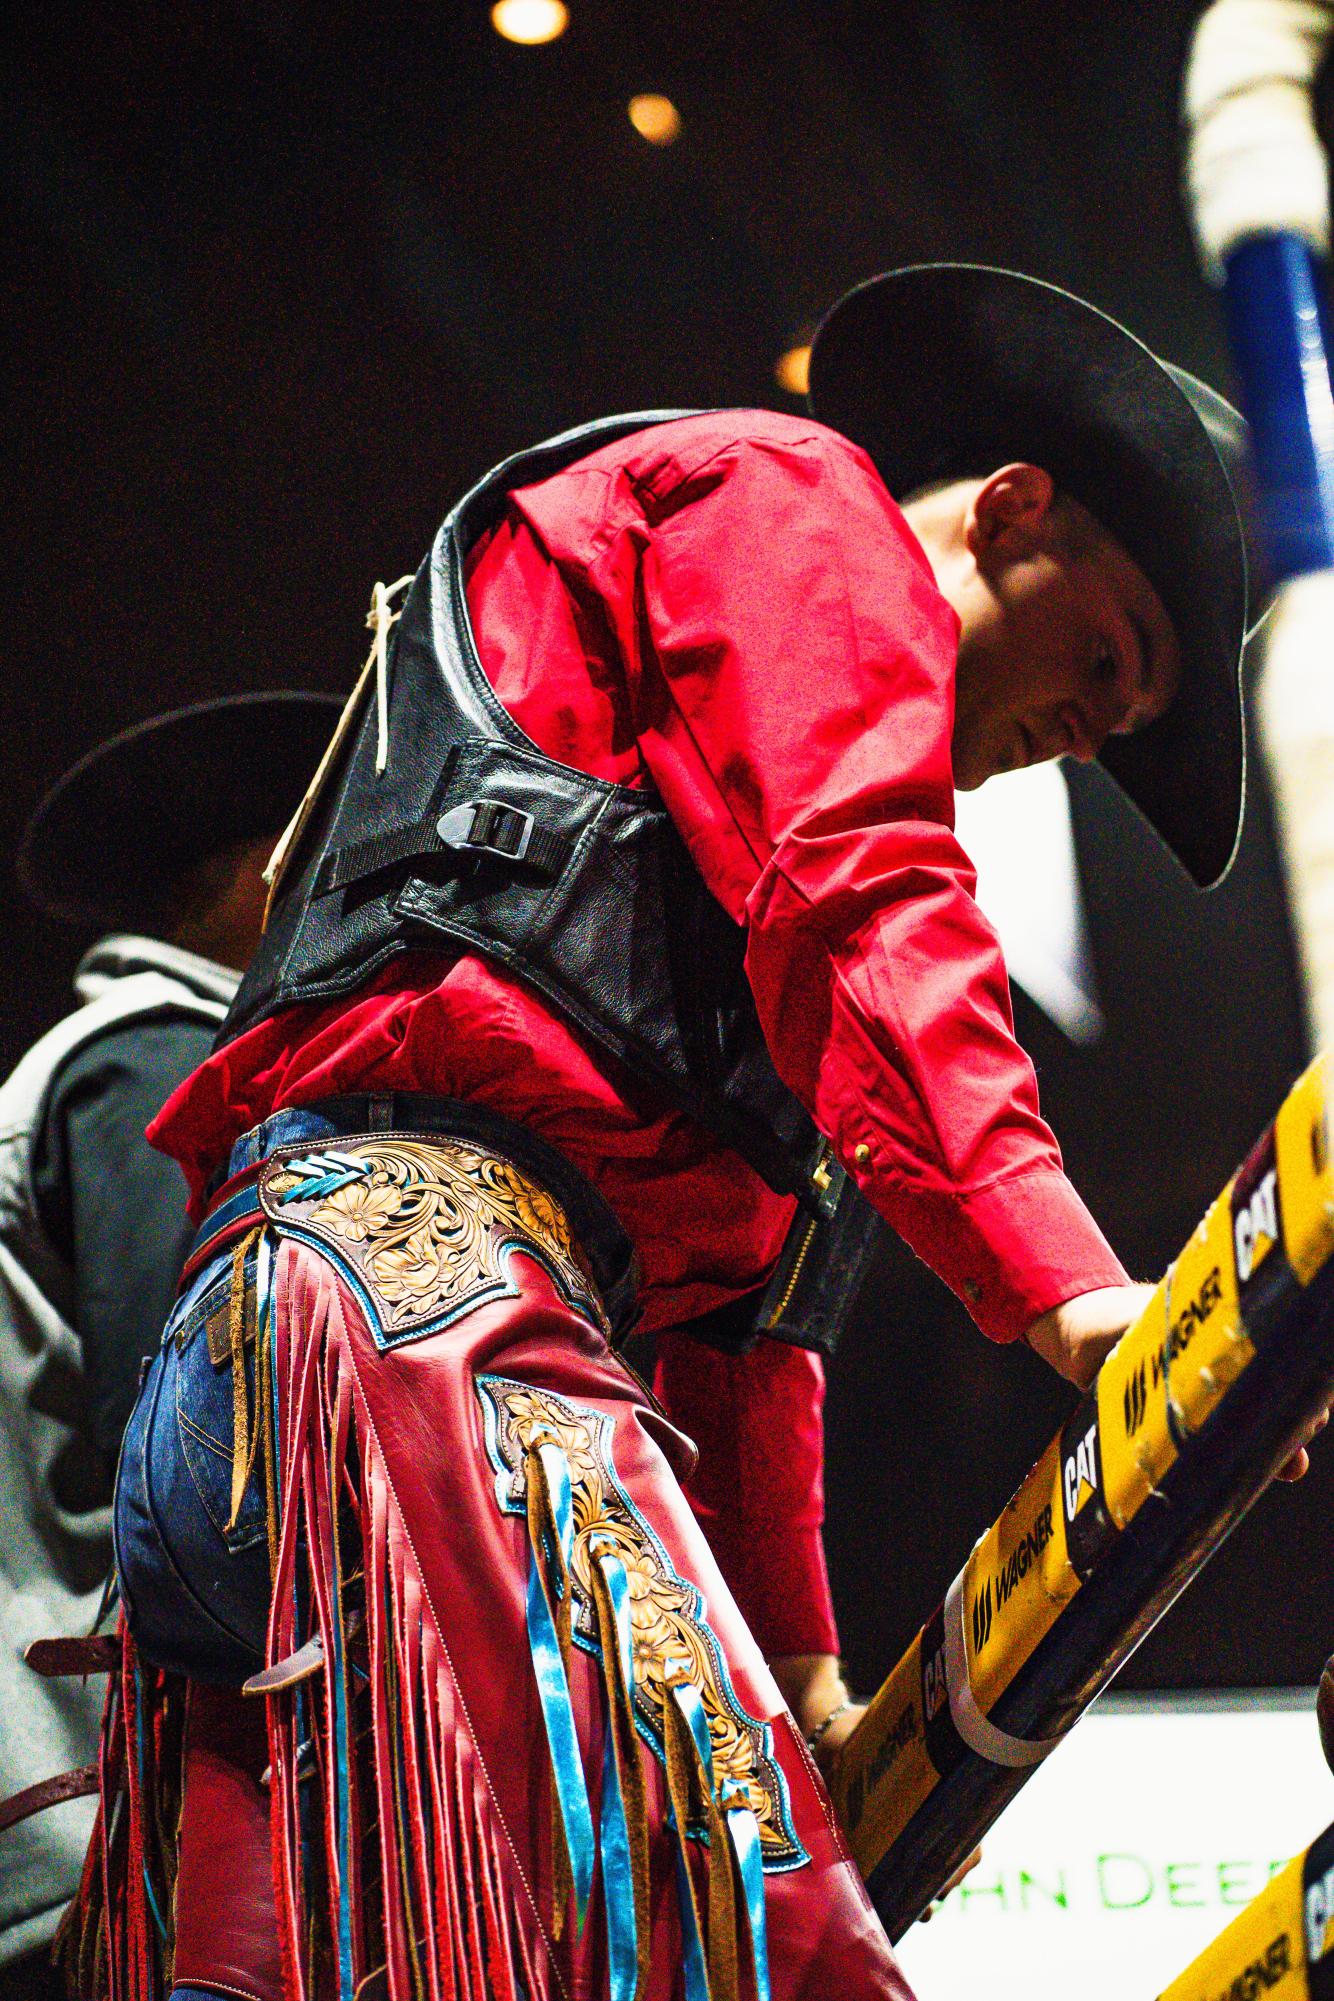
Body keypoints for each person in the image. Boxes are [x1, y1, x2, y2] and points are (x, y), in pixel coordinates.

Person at [71, 266, 1311, 2001]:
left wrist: (798, 1656)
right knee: (755, 1948)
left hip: (292, 1384)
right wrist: (1067, 1285)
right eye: (1102, 662)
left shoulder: (729, 828)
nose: (1073, 739)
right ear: (1014, 510)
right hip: (421, 1312)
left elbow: (747, 1317)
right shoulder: (794, 502)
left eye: (1108, 734)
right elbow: (871, 899)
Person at [0, 693, 339, 2001]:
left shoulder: (115, 1063)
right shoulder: (151, 1068)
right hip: (106, 1843)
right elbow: (201, 1440)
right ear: (257, 878)